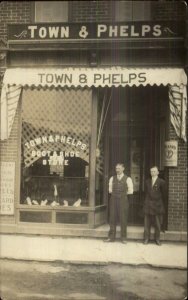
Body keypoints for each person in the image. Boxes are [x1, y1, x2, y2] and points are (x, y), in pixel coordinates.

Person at [104, 163, 133, 244]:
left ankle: (123, 238)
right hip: (113, 200)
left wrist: (122, 196)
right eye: (116, 168)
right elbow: (110, 190)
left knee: (123, 219)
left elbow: (130, 191)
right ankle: (111, 237)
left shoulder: (128, 179)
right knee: (112, 219)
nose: (117, 170)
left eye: (119, 168)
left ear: (123, 168)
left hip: (123, 200)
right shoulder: (112, 178)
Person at [143, 166, 166, 246]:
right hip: (148, 205)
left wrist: (160, 204)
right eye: (151, 171)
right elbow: (146, 193)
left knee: (158, 224)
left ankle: (157, 239)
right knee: (147, 224)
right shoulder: (147, 181)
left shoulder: (162, 182)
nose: (152, 173)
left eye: (154, 171)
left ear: (158, 172)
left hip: (157, 205)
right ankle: (146, 239)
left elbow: (164, 195)